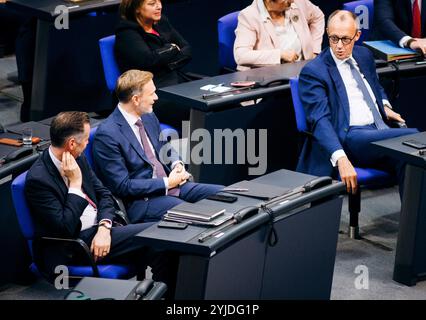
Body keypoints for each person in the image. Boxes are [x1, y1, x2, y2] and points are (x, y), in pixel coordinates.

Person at [25, 111, 178, 295]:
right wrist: (75, 185)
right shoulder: (39, 179)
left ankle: (151, 295)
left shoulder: (78, 157)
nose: (88, 143)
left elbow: (104, 194)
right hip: (74, 244)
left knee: (158, 242)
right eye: (86, 139)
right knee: (157, 235)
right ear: (71, 144)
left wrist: (104, 227)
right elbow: (65, 227)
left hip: (101, 230)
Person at [297, 10, 418, 196]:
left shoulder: (364, 55)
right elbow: (319, 120)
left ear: (357, 36)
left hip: (377, 131)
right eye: (333, 38)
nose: (339, 46)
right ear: (327, 32)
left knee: (411, 161)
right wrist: (341, 158)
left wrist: (384, 106)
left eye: (345, 39)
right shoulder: (314, 71)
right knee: (413, 139)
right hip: (349, 136)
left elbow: (375, 87)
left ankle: (413, 223)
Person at [92, 70, 224, 223]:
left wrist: (177, 164)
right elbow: (123, 186)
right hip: (144, 201)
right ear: (136, 99)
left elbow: (164, 146)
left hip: (173, 186)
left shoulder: (148, 116)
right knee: (199, 215)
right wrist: (167, 182)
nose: (156, 98)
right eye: (152, 94)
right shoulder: (107, 135)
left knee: (225, 195)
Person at [115, 0, 191, 89]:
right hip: (148, 87)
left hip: (176, 77)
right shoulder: (127, 32)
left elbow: (187, 49)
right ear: (137, 9)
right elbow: (148, 61)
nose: (159, 7)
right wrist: (172, 48)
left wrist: (168, 65)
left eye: (159, 2)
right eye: (152, 4)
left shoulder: (161, 22)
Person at [234, 0, 324, 71]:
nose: (292, 1)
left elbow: (318, 16)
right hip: (270, 80)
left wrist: (315, 50)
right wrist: (279, 54)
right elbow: (241, 55)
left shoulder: (298, 2)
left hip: (304, 73)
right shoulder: (249, 16)